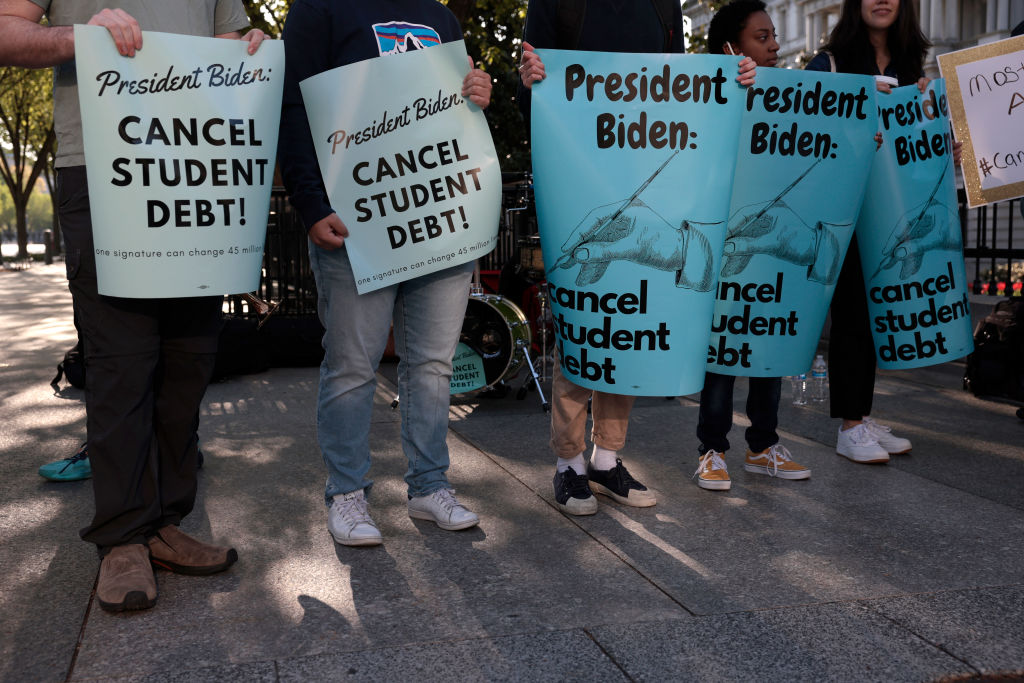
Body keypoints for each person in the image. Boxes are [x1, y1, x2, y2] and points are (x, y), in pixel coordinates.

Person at [0, 1, 264, 612]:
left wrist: (249, 50)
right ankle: (122, 540)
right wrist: (80, 38)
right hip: (104, 168)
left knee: (189, 364)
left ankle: (166, 523)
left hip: (198, 167)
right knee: (122, 364)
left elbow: (228, 49)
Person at [518, 0, 756, 514]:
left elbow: (685, 89)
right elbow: (532, 95)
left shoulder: (662, 3)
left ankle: (606, 459)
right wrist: (530, 78)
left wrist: (733, 80)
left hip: (646, 189)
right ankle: (568, 464)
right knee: (587, 322)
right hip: (579, 185)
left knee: (632, 319)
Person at [277, 0, 492, 546]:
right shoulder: (317, 9)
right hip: (355, 219)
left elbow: (455, 110)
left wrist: (477, 93)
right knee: (352, 365)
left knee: (433, 366)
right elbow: (292, 105)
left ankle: (428, 487)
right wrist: (309, 203)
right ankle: (347, 495)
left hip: (441, 216)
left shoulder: (441, 17)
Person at [692, 0, 811, 491]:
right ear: (731, 48)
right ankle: (712, 450)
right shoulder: (705, 98)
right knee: (723, 349)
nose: (776, 46)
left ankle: (762, 446)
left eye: (774, 36)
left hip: (768, 246)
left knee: (767, 340)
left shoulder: (794, 98)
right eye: (762, 37)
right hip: (727, 244)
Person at [804, 0, 927, 463]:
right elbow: (804, 128)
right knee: (853, 310)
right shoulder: (829, 64)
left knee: (875, 315)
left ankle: (862, 413)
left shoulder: (910, 64)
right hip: (845, 205)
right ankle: (850, 425)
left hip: (890, 207)